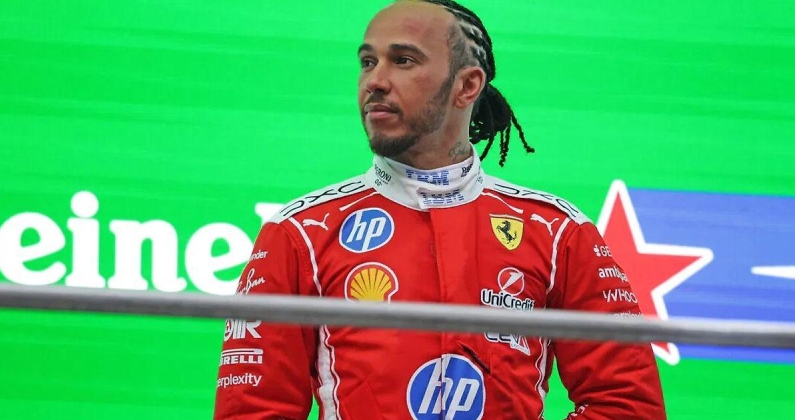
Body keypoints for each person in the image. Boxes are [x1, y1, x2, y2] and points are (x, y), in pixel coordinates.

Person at [214, 0, 666, 418]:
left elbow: (628, 405)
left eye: (403, 60)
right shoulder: (300, 233)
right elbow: (253, 411)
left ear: (467, 85)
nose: (374, 81)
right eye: (368, 62)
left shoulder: (557, 232)